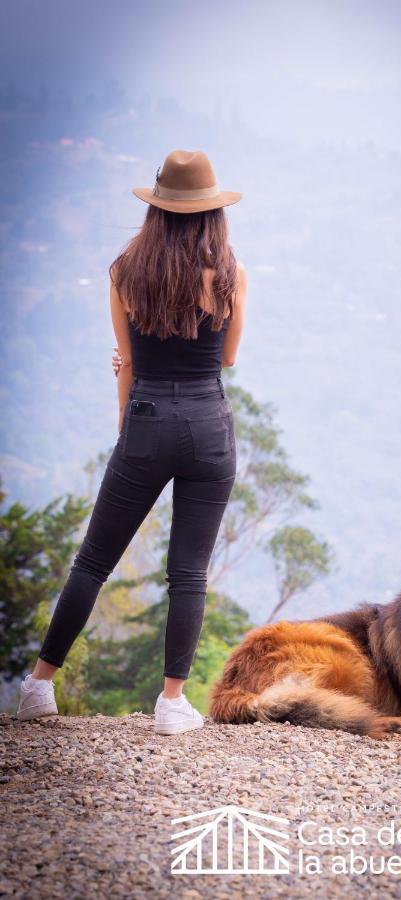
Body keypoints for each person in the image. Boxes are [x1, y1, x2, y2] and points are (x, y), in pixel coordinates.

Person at [17, 150, 247, 735]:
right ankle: (171, 703)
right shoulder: (231, 276)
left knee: (93, 561)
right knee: (188, 573)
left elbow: (127, 362)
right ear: (212, 214)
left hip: (146, 416)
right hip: (208, 426)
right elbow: (227, 357)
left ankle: (39, 687)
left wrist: (128, 420)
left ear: (156, 210)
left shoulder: (124, 272)